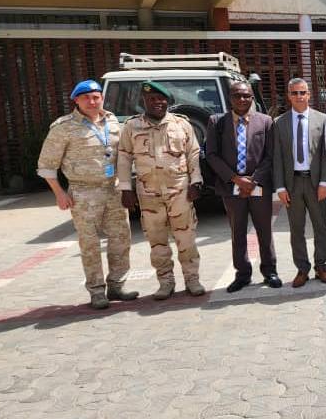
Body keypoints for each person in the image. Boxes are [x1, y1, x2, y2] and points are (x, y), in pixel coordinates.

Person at [37, 80, 135, 310]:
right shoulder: (63, 127)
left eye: (95, 97)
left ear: (102, 98)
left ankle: (117, 285)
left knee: (121, 239)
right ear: (76, 100)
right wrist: (60, 194)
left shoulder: (113, 121)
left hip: (113, 190)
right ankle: (97, 291)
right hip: (83, 193)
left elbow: (124, 155)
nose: (92, 102)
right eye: (86, 98)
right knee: (90, 244)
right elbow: (46, 166)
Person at [118, 81, 205, 300]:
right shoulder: (131, 126)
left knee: (186, 238)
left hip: (180, 191)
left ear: (167, 101)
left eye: (161, 99)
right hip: (148, 193)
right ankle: (165, 282)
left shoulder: (181, 124)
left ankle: (192, 279)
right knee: (157, 241)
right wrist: (126, 188)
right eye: (152, 99)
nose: (158, 103)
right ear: (144, 101)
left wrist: (196, 182)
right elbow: (124, 157)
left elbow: (193, 153)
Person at [205, 81, 280, 293]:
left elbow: (270, 155)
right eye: (237, 95)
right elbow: (211, 154)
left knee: (264, 231)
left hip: (259, 185)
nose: (242, 99)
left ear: (252, 98)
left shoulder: (265, 121)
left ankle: (270, 271)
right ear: (230, 98)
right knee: (237, 231)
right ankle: (242, 274)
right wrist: (236, 179)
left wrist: (253, 180)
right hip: (231, 186)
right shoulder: (217, 122)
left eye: (246, 96)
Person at [272, 77, 326, 287]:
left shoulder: (323, 120)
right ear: (289, 96)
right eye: (294, 93)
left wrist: (324, 182)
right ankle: (302, 269)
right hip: (293, 184)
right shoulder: (279, 123)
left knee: (320, 227)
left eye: (302, 92)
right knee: (296, 229)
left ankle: (321, 266)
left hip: (316, 183)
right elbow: (277, 157)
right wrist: (280, 187)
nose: (299, 96)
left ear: (309, 94)